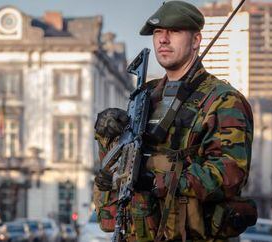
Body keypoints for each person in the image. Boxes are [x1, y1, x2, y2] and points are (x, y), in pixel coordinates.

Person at [93, 1, 255, 242]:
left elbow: (229, 175)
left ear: (196, 40)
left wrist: (155, 181)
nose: (163, 39)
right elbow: (120, 169)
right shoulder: (144, 97)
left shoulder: (223, 100)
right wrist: (108, 136)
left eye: (175, 31)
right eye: (158, 32)